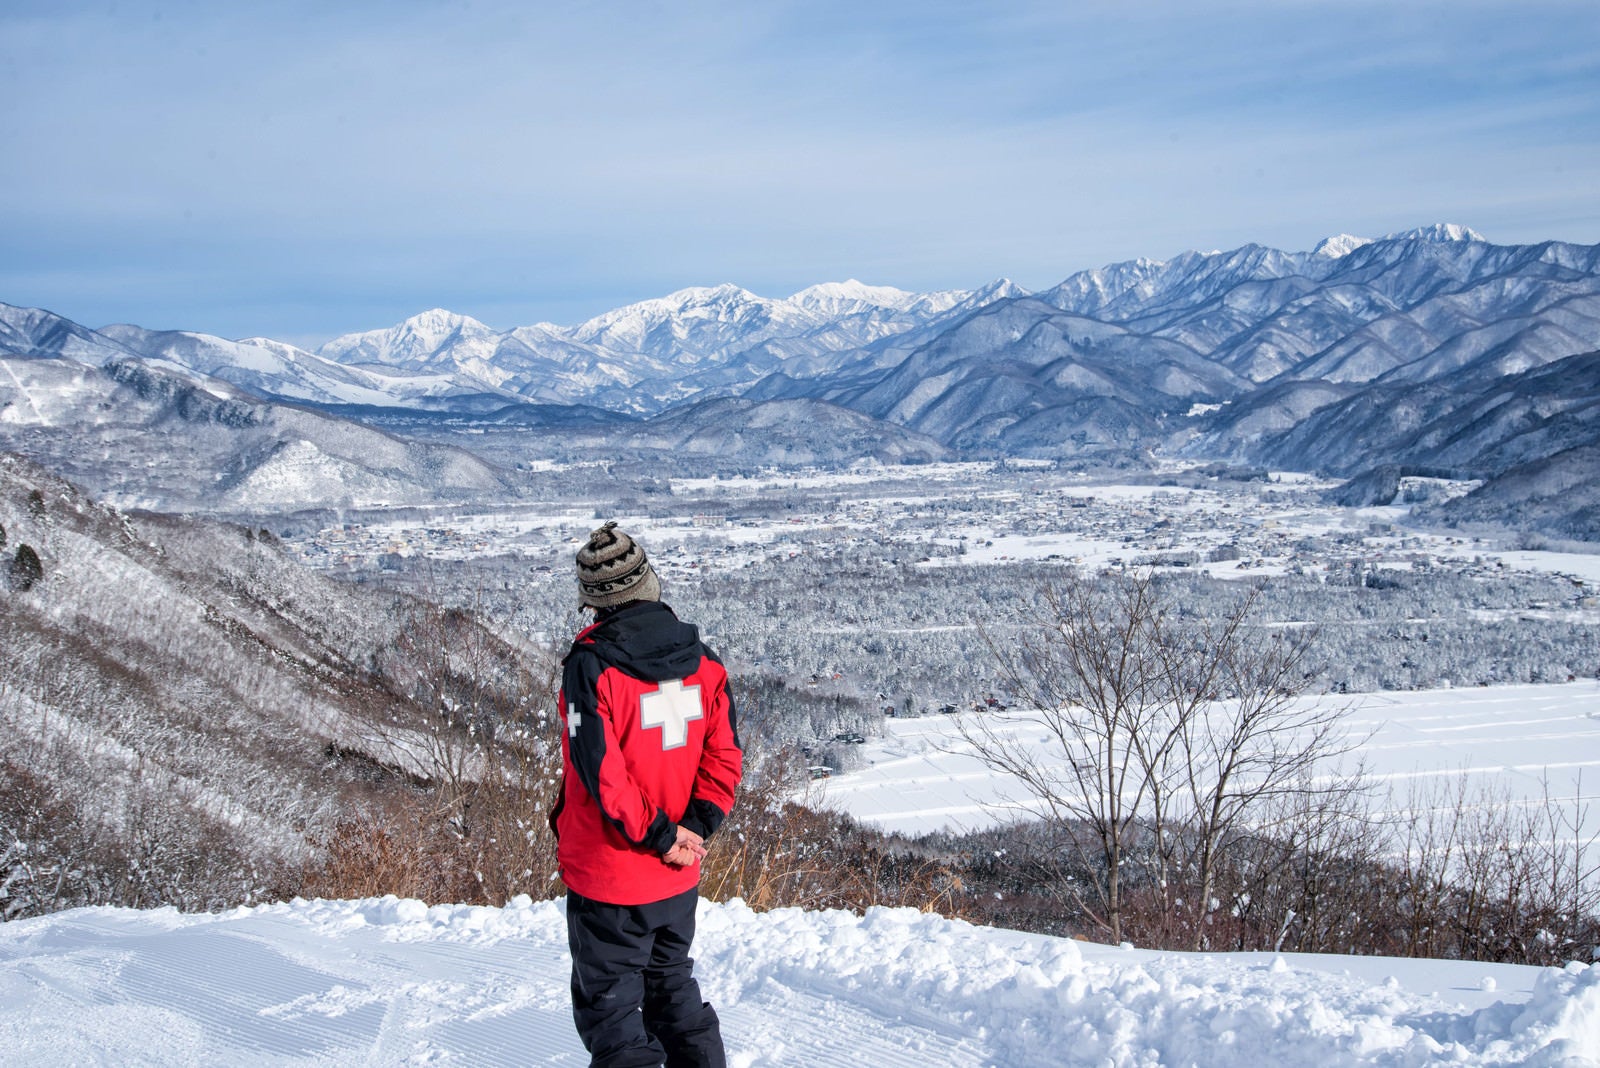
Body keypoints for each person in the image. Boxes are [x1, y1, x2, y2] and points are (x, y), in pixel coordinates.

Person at [550, 521, 743, 1068]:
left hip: (612, 873)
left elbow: (603, 775)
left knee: (613, 1018)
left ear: (593, 600)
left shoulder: (592, 665)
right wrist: (693, 831)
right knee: (672, 994)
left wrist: (660, 836)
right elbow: (724, 757)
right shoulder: (703, 661)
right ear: (649, 583)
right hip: (677, 873)